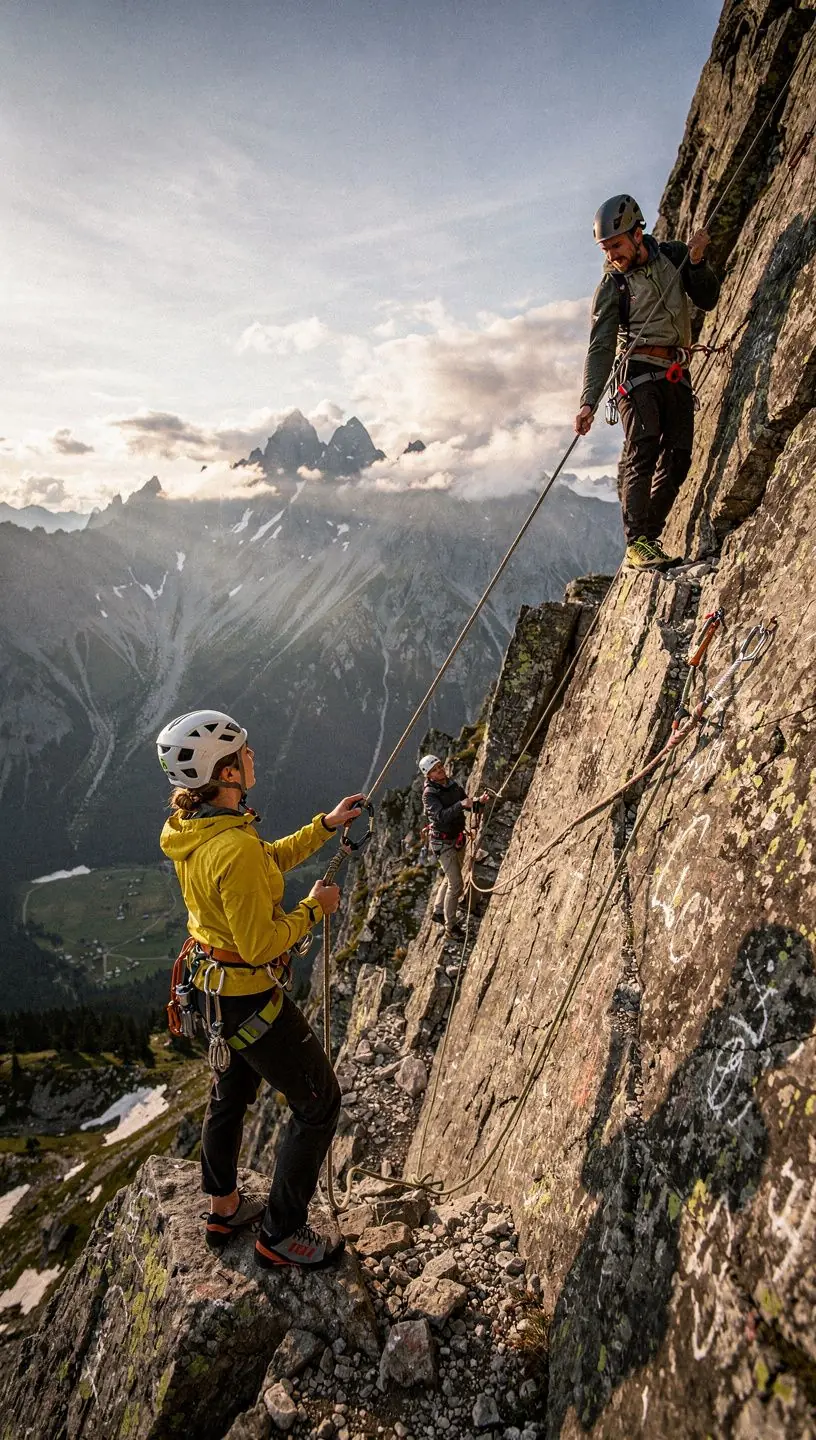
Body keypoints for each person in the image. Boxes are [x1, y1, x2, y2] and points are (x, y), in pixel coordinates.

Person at [156, 708, 364, 1268]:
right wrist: (313, 911)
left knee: (229, 1097)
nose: (254, 757)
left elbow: (266, 859)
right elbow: (262, 945)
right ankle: (281, 1232)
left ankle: (223, 1205)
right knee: (319, 1104)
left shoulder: (197, 831)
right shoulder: (233, 847)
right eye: (244, 753)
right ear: (224, 774)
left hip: (211, 991)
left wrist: (324, 826)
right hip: (247, 995)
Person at [574, 194, 721, 570]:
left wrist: (698, 259)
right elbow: (601, 345)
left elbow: (707, 298)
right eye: (605, 250)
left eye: (617, 246)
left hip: (675, 371)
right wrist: (588, 400)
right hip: (636, 372)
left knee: (679, 456)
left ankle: (648, 538)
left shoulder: (672, 255)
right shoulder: (613, 286)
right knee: (644, 446)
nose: (611, 256)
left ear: (638, 234)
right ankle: (637, 541)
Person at [419, 754, 488, 942]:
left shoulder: (451, 785)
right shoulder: (429, 795)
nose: (440, 770)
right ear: (429, 775)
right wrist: (460, 804)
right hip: (443, 843)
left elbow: (466, 803)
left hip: (455, 838)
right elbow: (440, 816)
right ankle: (451, 927)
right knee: (456, 884)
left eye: (440, 766)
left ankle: (439, 911)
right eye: (435, 769)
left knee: (451, 877)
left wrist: (478, 802)